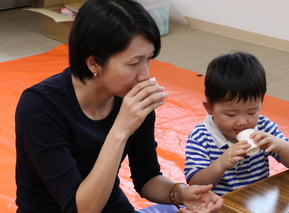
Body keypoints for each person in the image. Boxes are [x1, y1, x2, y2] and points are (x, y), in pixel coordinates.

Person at [15, 0, 224, 212]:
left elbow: (147, 177)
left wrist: (179, 192)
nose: (145, 75)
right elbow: (79, 209)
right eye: (133, 63)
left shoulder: (131, 98)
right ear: (94, 63)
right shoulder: (39, 107)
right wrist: (121, 129)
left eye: (149, 59)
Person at [184, 52, 289, 196]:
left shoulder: (263, 127)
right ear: (210, 108)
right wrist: (221, 164)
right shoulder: (201, 137)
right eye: (231, 114)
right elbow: (195, 184)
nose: (242, 122)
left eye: (251, 112)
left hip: (258, 203)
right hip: (219, 205)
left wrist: (279, 145)